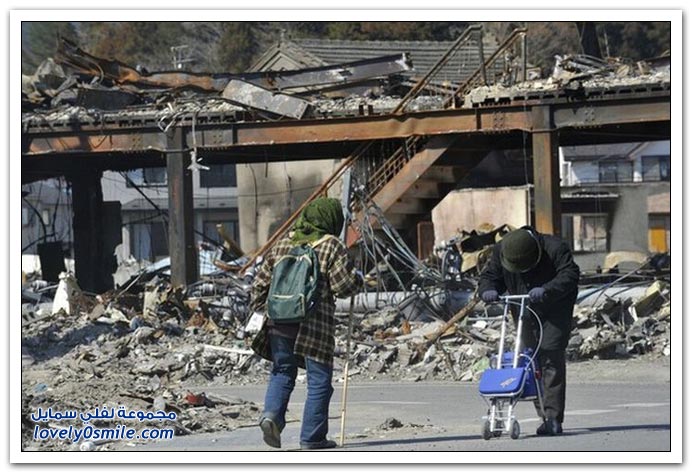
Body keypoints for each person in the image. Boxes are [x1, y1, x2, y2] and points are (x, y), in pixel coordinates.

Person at [250, 197, 361, 450]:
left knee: (282, 371)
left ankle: (271, 417)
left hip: (278, 322)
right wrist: (359, 279)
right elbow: (343, 286)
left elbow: (258, 286)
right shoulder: (331, 245)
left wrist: (265, 313)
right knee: (319, 380)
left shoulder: (283, 244)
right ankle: (312, 438)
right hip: (314, 325)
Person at [478, 226, 580, 436]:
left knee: (550, 356)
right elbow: (490, 276)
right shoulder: (502, 250)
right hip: (524, 308)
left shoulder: (555, 248)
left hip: (555, 308)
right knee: (529, 358)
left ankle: (552, 418)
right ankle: (538, 413)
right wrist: (488, 289)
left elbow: (570, 274)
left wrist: (548, 289)